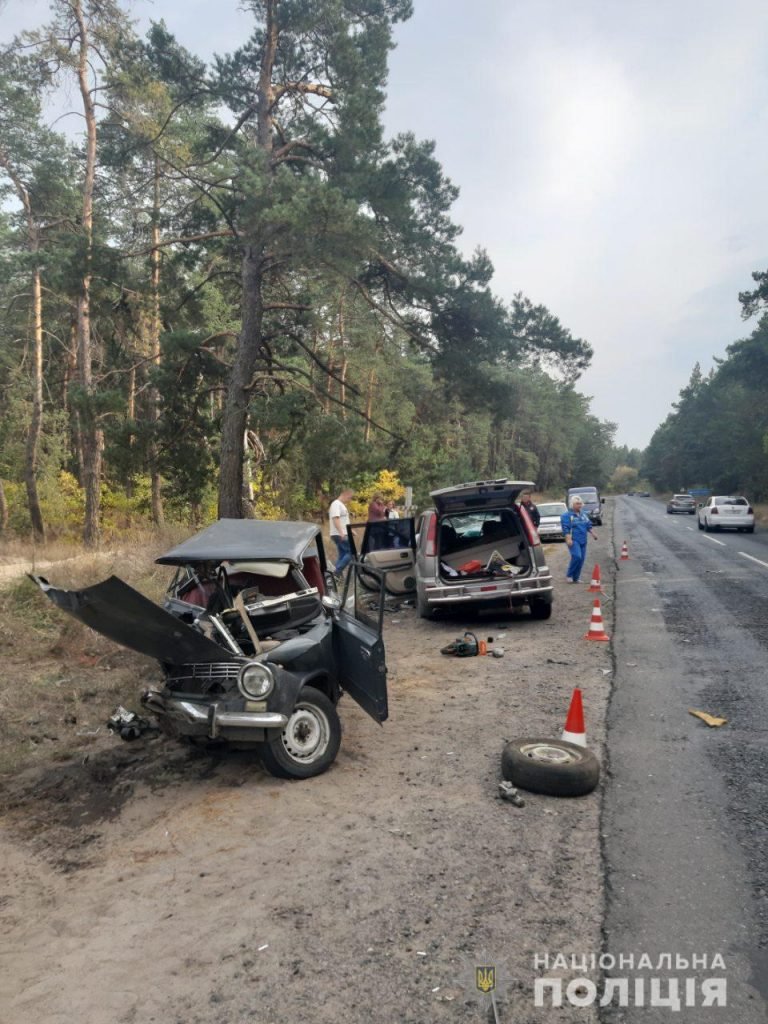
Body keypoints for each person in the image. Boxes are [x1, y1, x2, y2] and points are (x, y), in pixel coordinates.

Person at [560, 495, 596, 583]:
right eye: (577, 504)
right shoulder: (566, 515)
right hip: (573, 539)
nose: (579, 505)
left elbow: (588, 524)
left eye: (580, 504)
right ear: (572, 504)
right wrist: (568, 539)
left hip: (583, 540)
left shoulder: (583, 514)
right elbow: (566, 528)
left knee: (581, 559)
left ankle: (576, 578)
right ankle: (569, 575)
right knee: (577, 556)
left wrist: (593, 533)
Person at [329, 488, 354, 575]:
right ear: (345, 494)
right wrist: (341, 532)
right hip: (339, 534)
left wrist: (350, 531)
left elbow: (343, 521)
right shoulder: (336, 504)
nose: (350, 500)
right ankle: (336, 573)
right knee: (351, 552)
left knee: (342, 555)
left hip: (342, 533)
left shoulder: (341, 505)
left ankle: (335, 577)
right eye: (350, 497)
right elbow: (335, 518)